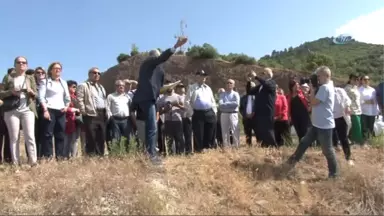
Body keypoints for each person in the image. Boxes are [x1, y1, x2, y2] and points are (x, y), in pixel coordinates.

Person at [132, 37, 188, 164]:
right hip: (146, 98)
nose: (159, 60)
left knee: (152, 127)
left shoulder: (160, 71)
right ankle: (151, 156)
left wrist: (169, 87)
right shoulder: (148, 63)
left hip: (152, 99)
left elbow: (160, 89)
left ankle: (149, 153)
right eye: (158, 58)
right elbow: (161, 58)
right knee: (152, 127)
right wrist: (176, 46)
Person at [285, 66, 338, 178]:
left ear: (326, 76)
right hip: (317, 124)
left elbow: (313, 102)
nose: (317, 78)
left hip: (324, 125)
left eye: (319, 76)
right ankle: (292, 161)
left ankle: (334, 174)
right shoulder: (328, 85)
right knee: (304, 142)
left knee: (327, 151)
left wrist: (313, 89)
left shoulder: (325, 88)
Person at [0, 56, 38, 166]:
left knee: (30, 136)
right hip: (11, 110)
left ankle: (33, 162)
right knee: (14, 137)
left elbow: (36, 94)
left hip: (27, 109)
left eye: (24, 62)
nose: (21, 64)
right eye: (19, 62)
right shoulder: (8, 77)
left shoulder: (30, 78)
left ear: (27, 65)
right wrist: (11, 92)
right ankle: (16, 163)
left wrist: (31, 92)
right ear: (15, 64)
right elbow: (1, 93)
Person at [39, 62, 71, 160]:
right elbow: (41, 97)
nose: (57, 70)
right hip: (49, 109)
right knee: (48, 134)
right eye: (55, 68)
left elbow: (67, 97)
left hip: (61, 110)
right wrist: (45, 110)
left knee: (60, 134)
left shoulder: (63, 82)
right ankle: (48, 156)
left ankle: (60, 157)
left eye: (59, 68)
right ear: (51, 70)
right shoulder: (45, 81)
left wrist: (66, 106)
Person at [76, 67, 108, 156]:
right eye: (94, 72)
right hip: (90, 114)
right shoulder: (83, 85)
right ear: (89, 74)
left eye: (98, 73)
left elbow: (104, 100)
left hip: (102, 114)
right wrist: (83, 112)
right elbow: (79, 99)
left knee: (101, 137)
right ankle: (91, 157)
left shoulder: (101, 87)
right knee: (91, 137)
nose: (97, 74)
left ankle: (100, 156)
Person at [185, 70, 217, 153]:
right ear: (197, 77)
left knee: (210, 130)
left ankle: (209, 148)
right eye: (201, 76)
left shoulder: (208, 88)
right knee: (199, 132)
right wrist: (191, 113)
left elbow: (212, 100)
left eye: (204, 76)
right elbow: (187, 101)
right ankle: (199, 150)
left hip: (209, 112)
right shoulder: (192, 87)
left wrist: (214, 111)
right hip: (198, 113)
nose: (203, 78)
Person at [246, 68, 277, 147]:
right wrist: (249, 82)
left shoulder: (272, 83)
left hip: (267, 111)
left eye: (264, 73)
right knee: (261, 130)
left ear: (269, 74)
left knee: (268, 130)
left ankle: (273, 146)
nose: (262, 75)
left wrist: (256, 77)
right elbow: (250, 92)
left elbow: (267, 85)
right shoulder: (261, 86)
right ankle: (265, 146)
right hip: (260, 112)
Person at [106, 80, 131, 152]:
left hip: (126, 120)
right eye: (119, 85)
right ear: (116, 87)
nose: (121, 87)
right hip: (115, 120)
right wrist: (110, 118)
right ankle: (116, 154)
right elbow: (107, 107)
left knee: (127, 137)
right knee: (115, 138)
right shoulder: (111, 96)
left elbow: (130, 107)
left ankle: (126, 153)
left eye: (123, 86)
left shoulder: (127, 97)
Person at [333, 86, 354, 165]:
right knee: (333, 139)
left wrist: (348, 106)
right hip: (330, 119)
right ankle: (334, 159)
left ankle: (348, 157)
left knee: (344, 138)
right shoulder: (322, 92)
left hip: (341, 117)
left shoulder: (339, 90)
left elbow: (347, 99)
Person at [219, 79, 240, 148]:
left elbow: (236, 104)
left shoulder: (235, 94)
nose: (229, 84)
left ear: (233, 85)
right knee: (224, 131)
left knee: (235, 130)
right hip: (224, 114)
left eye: (230, 83)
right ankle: (226, 146)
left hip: (233, 114)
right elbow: (220, 104)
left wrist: (226, 104)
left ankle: (236, 146)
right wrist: (230, 104)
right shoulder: (222, 94)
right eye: (227, 83)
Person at [359, 75, 379, 146]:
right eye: (364, 79)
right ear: (362, 80)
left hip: (372, 112)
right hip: (364, 111)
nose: (366, 81)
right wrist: (366, 101)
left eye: (368, 79)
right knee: (364, 127)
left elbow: (375, 101)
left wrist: (377, 111)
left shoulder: (373, 90)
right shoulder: (360, 89)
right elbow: (359, 101)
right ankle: (364, 142)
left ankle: (369, 141)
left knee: (371, 127)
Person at [344, 73, 364, 145]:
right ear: (350, 79)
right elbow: (345, 100)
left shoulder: (356, 88)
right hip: (352, 111)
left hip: (358, 110)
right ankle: (357, 142)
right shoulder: (347, 88)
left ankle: (354, 142)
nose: (356, 81)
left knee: (358, 126)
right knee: (357, 126)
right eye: (354, 79)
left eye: (357, 79)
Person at [64, 80, 81, 158]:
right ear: (68, 87)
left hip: (76, 120)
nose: (75, 88)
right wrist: (74, 110)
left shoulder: (77, 97)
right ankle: (65, 156)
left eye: (76, 87)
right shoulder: (64, 97)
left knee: (75, 139)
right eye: (73, 86)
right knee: (67, 139)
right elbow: (64, 108)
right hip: (67, 120)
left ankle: (74, 157)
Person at [239, 81, 256, 146]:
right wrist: (245, 114)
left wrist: (253, 114)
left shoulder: (257, 97)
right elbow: (241, 108)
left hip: (255, 118)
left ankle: (258, 147)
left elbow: (259, 107)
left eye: (252, 87)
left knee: (258, 133)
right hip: (246, 118)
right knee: (247, 134)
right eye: (248, 87)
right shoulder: (243, 98)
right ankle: (249, 147)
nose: (250, 88)